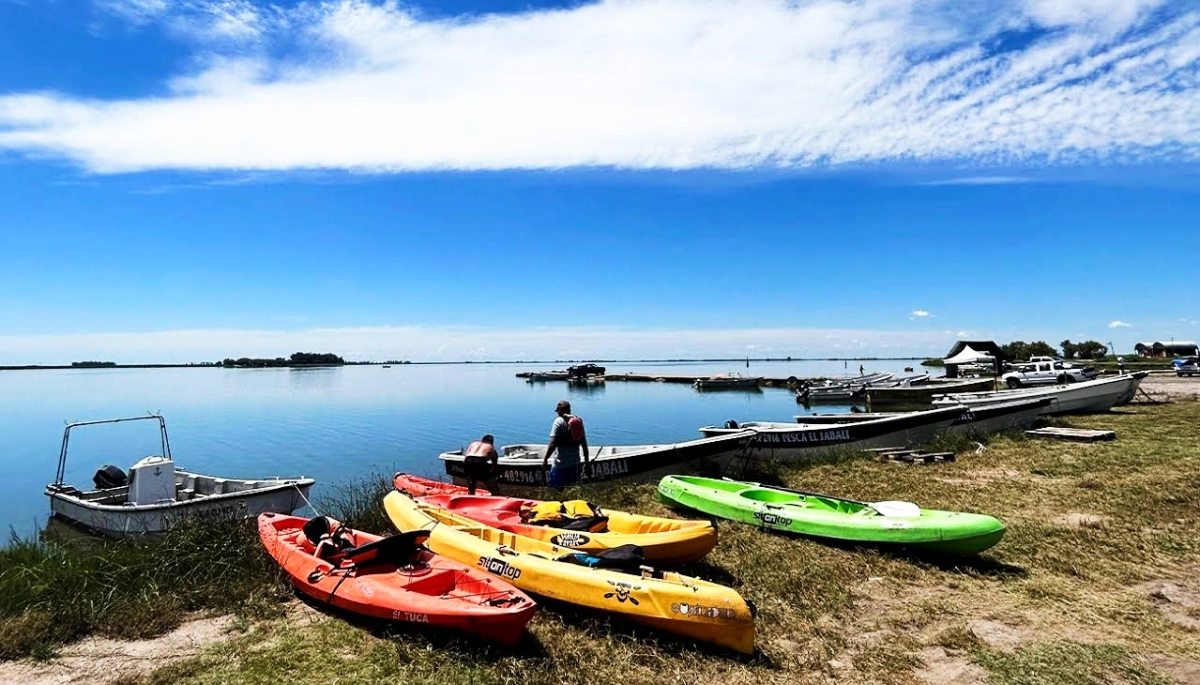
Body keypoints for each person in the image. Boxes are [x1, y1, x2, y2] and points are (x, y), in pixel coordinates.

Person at [543, 400, 589, 490]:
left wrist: (545, 460)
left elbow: (553, 443)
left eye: (558, 411)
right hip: (575, 464)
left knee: (556, 491)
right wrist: (587, 463)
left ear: (561, 410)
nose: (557, 413)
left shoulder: (559, 421)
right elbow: (584, 444)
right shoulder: (578, 422)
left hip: (560, 465)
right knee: (573, 490)